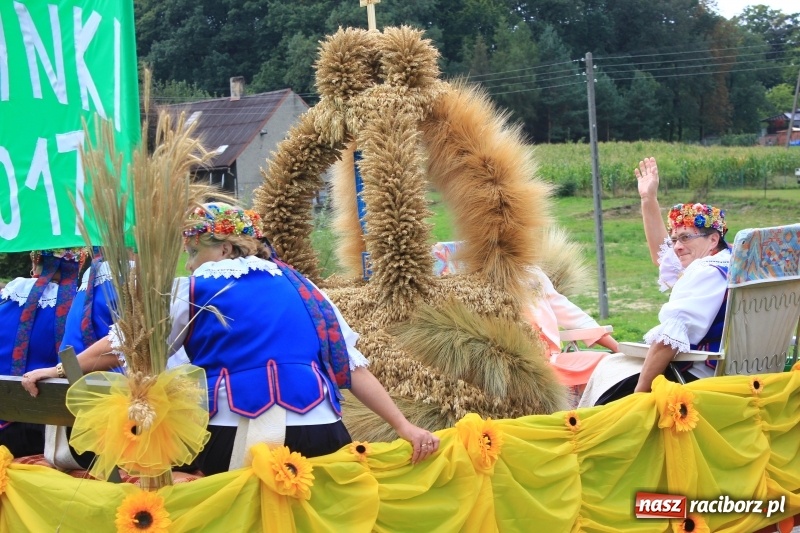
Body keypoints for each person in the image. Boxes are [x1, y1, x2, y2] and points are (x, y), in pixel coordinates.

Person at [170, 202, 439, 475]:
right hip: (319, 428)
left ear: (224, 249)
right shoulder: (303, 287)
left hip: (237, 429)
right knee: (326, 513)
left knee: (241, 514)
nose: (190, 264)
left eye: (193, 252)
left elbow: (148, 359)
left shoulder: (192, 290)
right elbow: (349, 364)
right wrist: (403, 426)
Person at [579, 158, 731, 406]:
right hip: (734, 371)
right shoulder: (734, 261)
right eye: (675, 240)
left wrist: (639, 397)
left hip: (694, 375)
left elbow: (666, 340)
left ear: (713, 240)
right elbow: (664, 259)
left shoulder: (704, 271)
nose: (678, 247)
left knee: (609, 377)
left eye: (685, 237)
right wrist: (648, 200)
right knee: (613, 363)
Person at [1, 248, 86, 456]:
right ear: (80, 265)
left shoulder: (7, 300)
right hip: (55, 439)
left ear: (34, 262)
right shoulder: (81, 308)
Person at [525, 266, 618, 400]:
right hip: (516, 365)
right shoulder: (487, 280)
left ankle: (587, 415)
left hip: (551, 360)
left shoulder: (533, 273)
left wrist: (617, 347)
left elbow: (568, 312)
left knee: (605, 362)